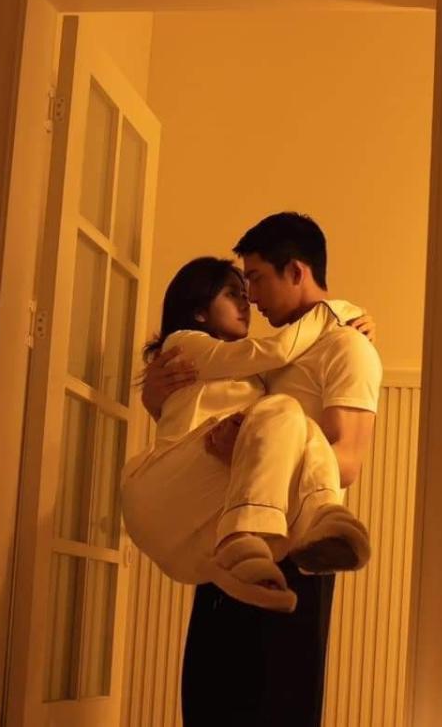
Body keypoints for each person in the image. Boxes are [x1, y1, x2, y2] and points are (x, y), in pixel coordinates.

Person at [142, 212, 383, 727]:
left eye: (255, 279)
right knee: (209, 700)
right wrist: (154, 399)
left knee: (280, 709)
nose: (250, 297)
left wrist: (250, 451)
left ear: (295, 271)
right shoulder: (262, 354)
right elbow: (203, 417)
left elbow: (347, 463)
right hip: (228, 530)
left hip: (298, 547)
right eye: (240, 286)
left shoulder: (347, 346)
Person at [120, 255, 373, 613]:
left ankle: (283, 543)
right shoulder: (185, 344)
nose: (247, 302)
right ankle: (314, 515)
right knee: (283, 409)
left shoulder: (252, 373)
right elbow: (277, 349)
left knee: (298, 425)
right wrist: (337, 312)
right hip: (157, 494)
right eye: (233, 293)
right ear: (199, 312)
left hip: (200, 526)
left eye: (247, 290)